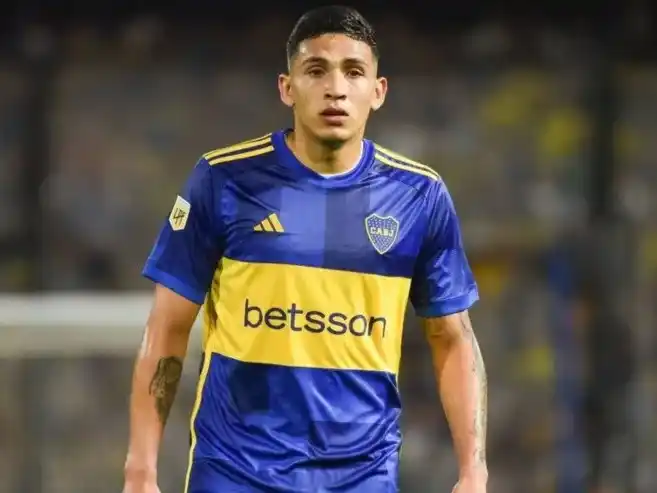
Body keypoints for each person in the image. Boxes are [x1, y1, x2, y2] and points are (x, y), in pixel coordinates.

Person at [122, 5, 488, 493]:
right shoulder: (222, 180)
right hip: (236, 471)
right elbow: (167, 328)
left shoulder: (420, 196)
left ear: (378, 91)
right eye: (316, 70)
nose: (336, 88)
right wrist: (140, 470)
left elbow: (453, 338)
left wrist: (473, 470)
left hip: (361, 476)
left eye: (353, 72)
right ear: (287, 87)